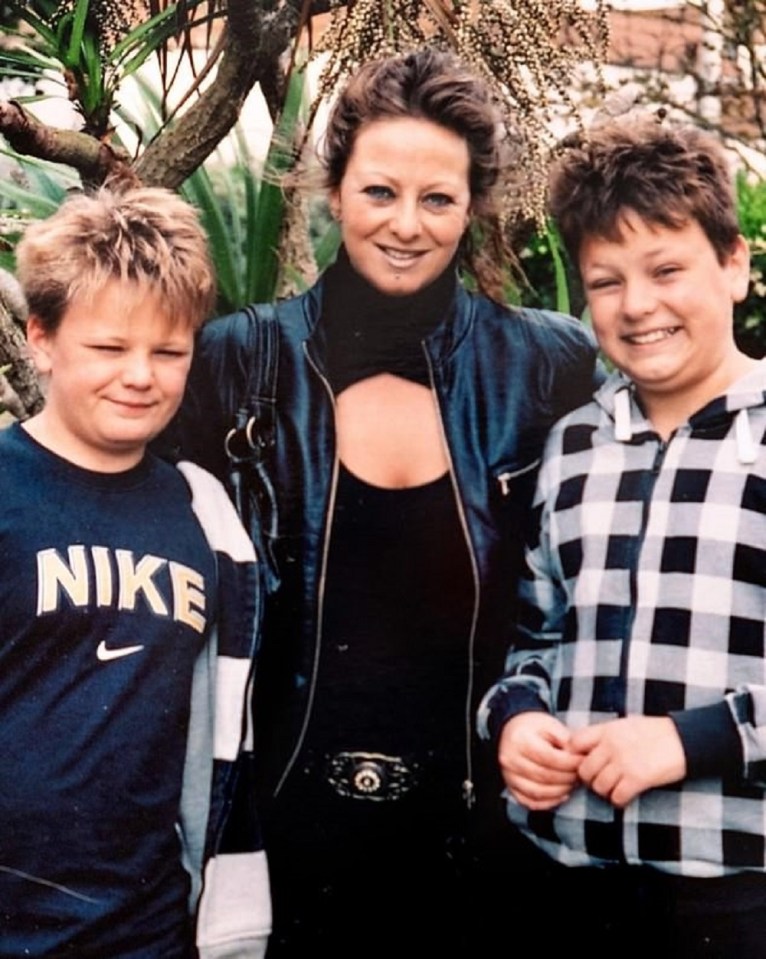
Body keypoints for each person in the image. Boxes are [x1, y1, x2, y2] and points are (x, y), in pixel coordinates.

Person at [168, 48, 599, 956]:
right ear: (334, 192)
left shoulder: (547, 367)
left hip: (487, 834)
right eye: (379, 193)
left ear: (475, 205)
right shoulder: (239, 362)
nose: (406, 224)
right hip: (282, 833)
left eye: (437, 198)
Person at [479, 115, 766, 957]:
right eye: (605, 281)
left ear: (736, 266)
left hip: (739, 893)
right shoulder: (571, 447)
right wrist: (518, 719)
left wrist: (686, 739)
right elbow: (532, 635)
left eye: (668, 269)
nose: (637, 305)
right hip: (567, 879)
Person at [1, 188, 269, 958]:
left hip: (147, 927)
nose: (141, 376)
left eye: (169, 351)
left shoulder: (203, 515)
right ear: (42, 340)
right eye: (109, 349)